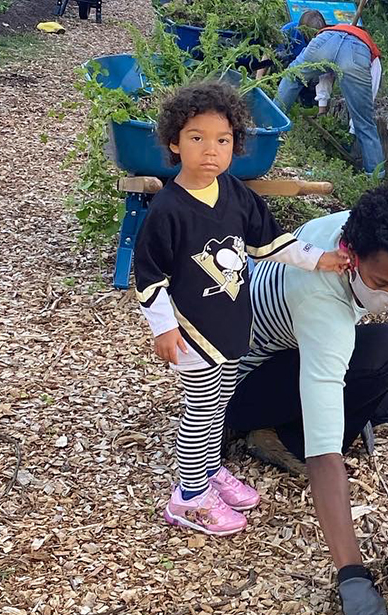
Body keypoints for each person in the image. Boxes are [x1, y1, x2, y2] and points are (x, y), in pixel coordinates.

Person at [132, 81, 349, 536]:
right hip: (194, 331)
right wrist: (163, 329)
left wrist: (321, 259)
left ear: (236, 145)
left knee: (220, 404)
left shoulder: (234, 193)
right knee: (201, 412)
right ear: (174, 141)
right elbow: (150, 277)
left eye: (223, 140)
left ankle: (208, 474)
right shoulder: (168, 210)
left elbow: (271, 243)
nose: (210, 150)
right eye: (197, 138)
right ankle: (189, 498)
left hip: (232, 324)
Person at [225, 182, 388, 614]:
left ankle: (321, 412)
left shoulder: (348, 227)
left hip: (290, 351)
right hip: (237, 391)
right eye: (382, 283)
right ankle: (281, 438)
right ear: (351, 256)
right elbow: (325, 457)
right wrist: (353, 577)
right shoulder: (321, 300)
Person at [277, 20, 385, 174]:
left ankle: (270, 127)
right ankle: (375, 176)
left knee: (292, 77)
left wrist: (322, 105)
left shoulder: (332, 29)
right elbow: (369, 96)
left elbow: (324, 72)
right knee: (366, 124)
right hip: (356, 53)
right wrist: (355, 127)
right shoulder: (372, 53)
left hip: (324, 41)